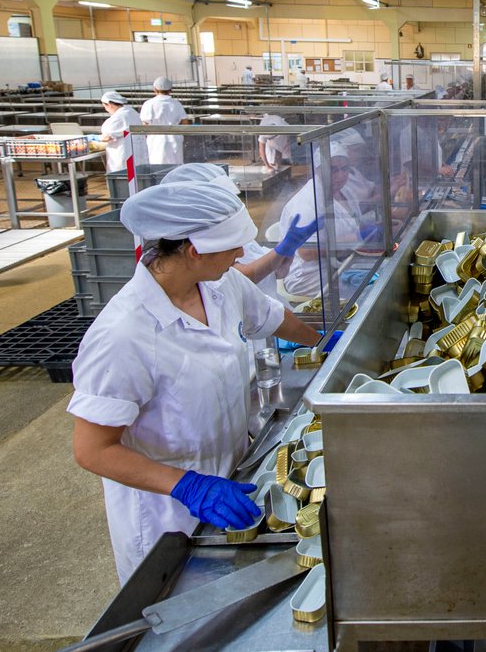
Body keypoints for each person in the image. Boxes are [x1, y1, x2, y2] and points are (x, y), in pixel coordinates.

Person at [69, 182, 322, 584]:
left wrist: (325, 342)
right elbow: (92, 449)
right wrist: (188, 486)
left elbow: (272, 318)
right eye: (234, 246)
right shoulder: (123, 336)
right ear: (193, 251)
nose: (242, 254)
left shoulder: (221, 285)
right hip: (168, 514)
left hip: (234, 477)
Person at [160, 163, 314, 305]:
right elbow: (239, 277)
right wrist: (281, 250)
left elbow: (274, 274)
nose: (239, 252)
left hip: (269, 311)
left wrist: (284, 256)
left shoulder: (229, 229)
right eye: (221, 201)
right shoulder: (204, 244)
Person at [278, 145, 382, 301]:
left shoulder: (343, 191)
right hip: (311, 275)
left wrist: (373, 229)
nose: (340, 175)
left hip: (342, 262)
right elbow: (306, 252)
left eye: (345, 168)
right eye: (333, 170)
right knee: (375, 288)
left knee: (382, 272)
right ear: (318, 171)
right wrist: (355, 238)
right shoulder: (308, 203)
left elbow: (351, 221)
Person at [139, 77, 188, 166]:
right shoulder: (176, 104)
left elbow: (144, 125)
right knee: (175, 165)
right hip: (174, 138)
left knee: (157, 165)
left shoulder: (148, 104)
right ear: (170, 90)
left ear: (154, 89)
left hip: (155, 139)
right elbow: (185, 123)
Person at [98, 91, 143, 174]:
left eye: (105, 106)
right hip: (135, 154)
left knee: (123, 180)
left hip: (123, 155)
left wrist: (96, 138)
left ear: (109, 104)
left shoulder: (120, 116)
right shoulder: (131, 112)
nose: (105, 109)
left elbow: (107, 137)